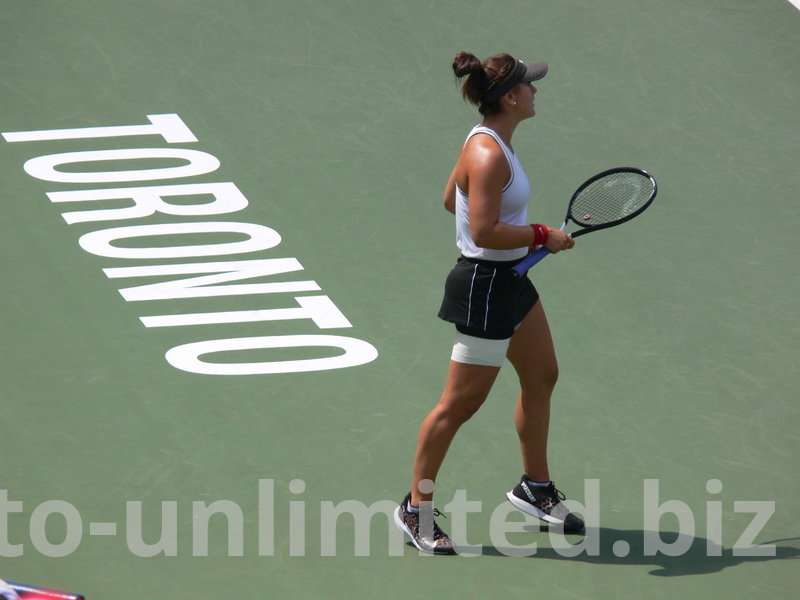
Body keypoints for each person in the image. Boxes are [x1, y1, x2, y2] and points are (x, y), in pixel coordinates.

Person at [393, 51, 585, 555]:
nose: (536, 90)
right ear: (509, 97)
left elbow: (450, 199)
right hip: (484, 288)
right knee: (460, 404)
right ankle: (416, 508)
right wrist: (540, 233)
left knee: (542, 374)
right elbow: (481, 229)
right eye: (529, 85)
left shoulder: (494, 144)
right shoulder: (489, 153)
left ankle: (535, 488)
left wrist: (522, 240)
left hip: (510, 281)